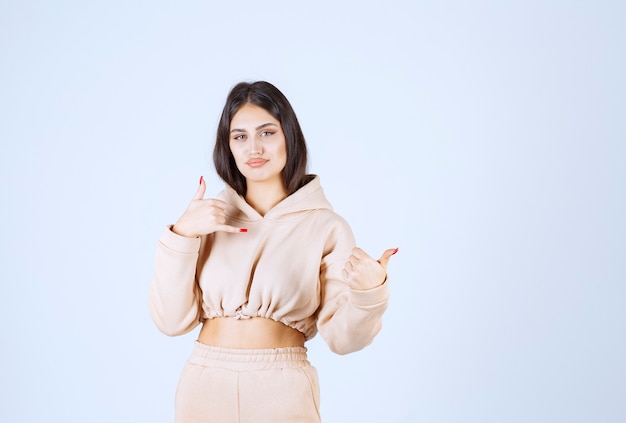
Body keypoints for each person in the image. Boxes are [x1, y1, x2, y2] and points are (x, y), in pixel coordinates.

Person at [149, 81, 397, 422]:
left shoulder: (326, 226)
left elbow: (343, 339)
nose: (254, 148)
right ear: (228, 146)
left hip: (282, 390)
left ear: (288, 138)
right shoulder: (206, 220)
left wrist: (369, 293)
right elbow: (171, 321)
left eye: (267, 133)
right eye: (240, 136)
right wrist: (180, 236)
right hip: (204, 383)